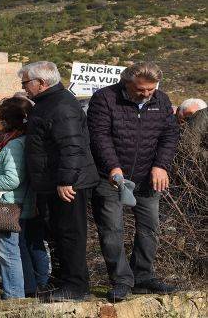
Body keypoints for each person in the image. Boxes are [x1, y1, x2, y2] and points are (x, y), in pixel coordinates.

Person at [87, 62, 180, 302]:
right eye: (141, 90)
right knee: (112, 230)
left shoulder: (161, 99)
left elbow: (169, 135)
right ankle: (121, 280)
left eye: (151, 89)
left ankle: (143, 277)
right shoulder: (105, 98)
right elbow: (99, 136)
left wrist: (161, 166)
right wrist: (112, 166)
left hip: (148, 177)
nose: (147, 94)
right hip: (110, 178)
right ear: (126, 83)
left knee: (150, 227)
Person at [21, 61, 99, 302]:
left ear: (41, 83)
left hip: (67, 183)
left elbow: (72, 147)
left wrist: (66, 180)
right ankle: (66, 282)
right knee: (58, 233)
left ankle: (76, 286)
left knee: (70, 234)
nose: (24, 88)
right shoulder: (47, 104)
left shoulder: (61, 106)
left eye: (26, 83)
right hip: (53, 181)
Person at [0, 97, 44, 300]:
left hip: (8, 204)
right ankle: (22, 291)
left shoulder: (14, 145)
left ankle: (14, 296)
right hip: (13, 203)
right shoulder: (10, 142)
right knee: (13, 250)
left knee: (7, 252)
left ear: (6, 121)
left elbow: (11, 180)